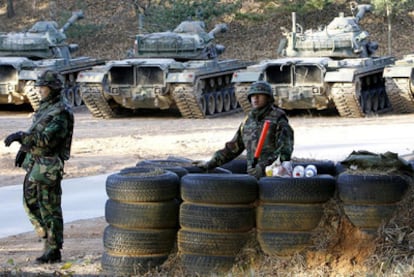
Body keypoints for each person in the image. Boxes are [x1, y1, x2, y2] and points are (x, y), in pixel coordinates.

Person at [4, 70, 74, 263]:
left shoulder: (61, 112)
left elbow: (46, 140)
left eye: (43, 87)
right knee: (30, 202)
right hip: (36, 163)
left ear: (52, 89)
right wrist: (25, 149)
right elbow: (36, 130)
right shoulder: (46, 107)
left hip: (48, 165)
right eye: (40, 87)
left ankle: (53, 249)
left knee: (49, 208)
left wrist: (20, 137)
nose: (40, 90)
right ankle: (47, 238)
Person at [194, 80, 294, 178]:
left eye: (260, 95)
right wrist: (211, 163)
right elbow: (232, 148)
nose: (255, 98)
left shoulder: (278, 119)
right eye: (253, 95)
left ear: (268, 98)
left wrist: (264, 167)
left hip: (274, 177)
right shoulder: (248, 122)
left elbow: (285, 151)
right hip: (252, 176)